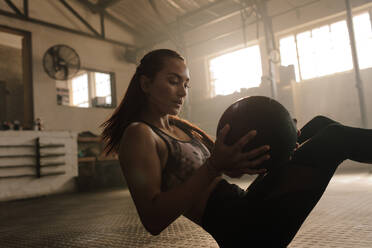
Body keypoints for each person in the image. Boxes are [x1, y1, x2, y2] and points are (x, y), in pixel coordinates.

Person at [101, 49, 372, 247]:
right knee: (335, 138)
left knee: (320, 125)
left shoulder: (180, 128)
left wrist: (281, 141)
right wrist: (213, 166)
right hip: (243, 229)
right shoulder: (140, 135)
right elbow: (153, 220)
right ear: (146, 83)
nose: (183, 92)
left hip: (245, 204)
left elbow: (231, 172)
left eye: (185, 84)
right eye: (173, 81)